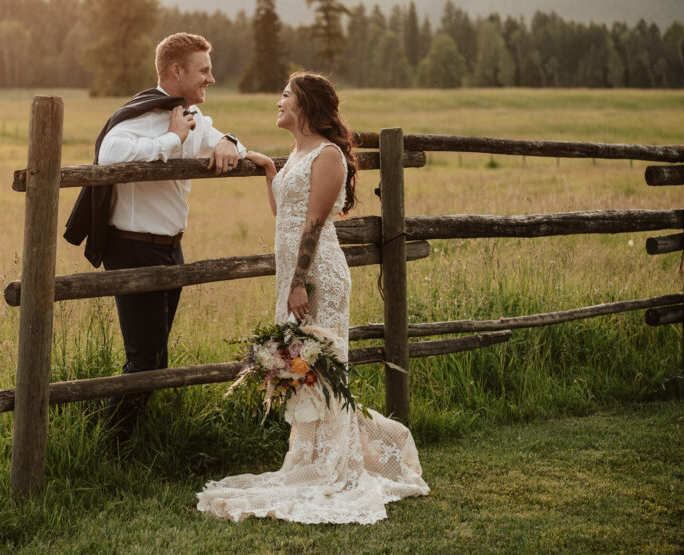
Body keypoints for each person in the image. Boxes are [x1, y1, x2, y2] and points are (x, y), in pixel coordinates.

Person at [196, 72, 429, 524]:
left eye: (285, 95)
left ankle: (338, 462)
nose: (278, 102)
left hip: (318, 275)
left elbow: (315, 224)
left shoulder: (328, 155)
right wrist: (268, 170)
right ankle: (308, 459)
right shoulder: (297, 153)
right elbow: (284, 214)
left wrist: (299, 282)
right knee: (303, 371)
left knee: (321, 369)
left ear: (304, 104)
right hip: (293, 277)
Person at [64, 32, 246, 440]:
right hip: (132, 248)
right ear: (177, 70)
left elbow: (222, 137)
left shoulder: (192, 116)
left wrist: (229, 143)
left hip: (171, 249)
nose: (211, 79)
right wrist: (172, 140)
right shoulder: (138, 117)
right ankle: (109, 444)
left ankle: (113, 434)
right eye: (204, 70)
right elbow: (110, 154)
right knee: (146, 359)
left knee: (154, 356)